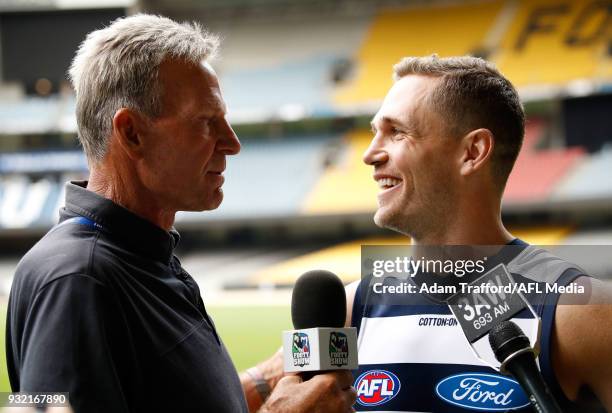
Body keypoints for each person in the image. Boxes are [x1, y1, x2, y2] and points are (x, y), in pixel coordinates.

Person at [6, 14, 356, 413]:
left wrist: (264, 380)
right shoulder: (76, 281)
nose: (233, 143)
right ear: (132, 133)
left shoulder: (136, 255)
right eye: (207, 123)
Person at [249, 55, 612, 412]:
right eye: (375, 133)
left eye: (396, 133)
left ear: (472, 152)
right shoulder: (348, 310)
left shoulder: (582, 312)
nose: (370, 154)